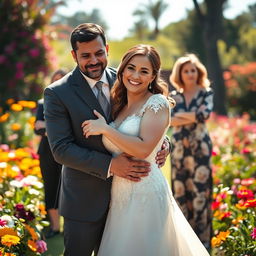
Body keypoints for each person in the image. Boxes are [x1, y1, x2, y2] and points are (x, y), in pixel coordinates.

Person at [43, 23, 169, 256]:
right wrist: (111, 165)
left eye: (99, 53)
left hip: (129, 199)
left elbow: (146, 117)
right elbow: (60, 149)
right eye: (86, 55)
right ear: (74, 55)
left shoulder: (125, 80)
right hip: (84, 201)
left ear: (107, 49)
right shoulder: (57, 93)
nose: (94, 60)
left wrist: (163, 143)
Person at [81, 44, 210, 256]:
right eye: (131, 68)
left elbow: (142, 149)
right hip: (119, 195)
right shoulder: (118, 103)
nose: (135, 76)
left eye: (144, 71)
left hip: (145, 193)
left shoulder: (157, 102)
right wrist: (162, 142)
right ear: (122, 70)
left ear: (153, 77)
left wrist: (105, 129)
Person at [169, 53, 213, 250]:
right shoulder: (173, 96)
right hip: (178, 150)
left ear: (198, 71)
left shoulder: (206, 92)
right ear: (180, 73)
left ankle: (203, 241)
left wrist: (181, 116)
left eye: (193, 70)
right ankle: (184, 240)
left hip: (200, 149)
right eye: (186, 70)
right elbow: (169, 119)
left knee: (200, 192)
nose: (190, 74)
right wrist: (193, 116)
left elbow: (204, 115)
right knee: (180, 191)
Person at [34, 69, 67, 238]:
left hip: (67, 151)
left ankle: (67, 226)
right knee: (51, 187)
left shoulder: (70, 103)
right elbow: (37, 129)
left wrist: (47, 126)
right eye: (54, 80)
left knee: (68, 188)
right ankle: (55, 227)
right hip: (47, 152)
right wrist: (56, 128)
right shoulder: (42, 103)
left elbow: (70, 130)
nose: (57, 84)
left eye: (61, 81)